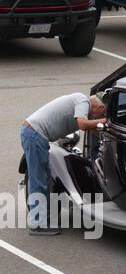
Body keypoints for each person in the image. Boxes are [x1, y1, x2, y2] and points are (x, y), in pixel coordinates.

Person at [21, 92, 107, 234]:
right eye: (101, 113)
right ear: (98, 107)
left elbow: (92, 129)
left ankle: (44, 219)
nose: (98, 117)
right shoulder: (83, 101)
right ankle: (38, 225)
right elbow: (83, 124)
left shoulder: (82, 103)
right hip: (35, 135)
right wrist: (106, 121)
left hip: (34, 134)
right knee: (39, 180)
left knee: (46, 178)